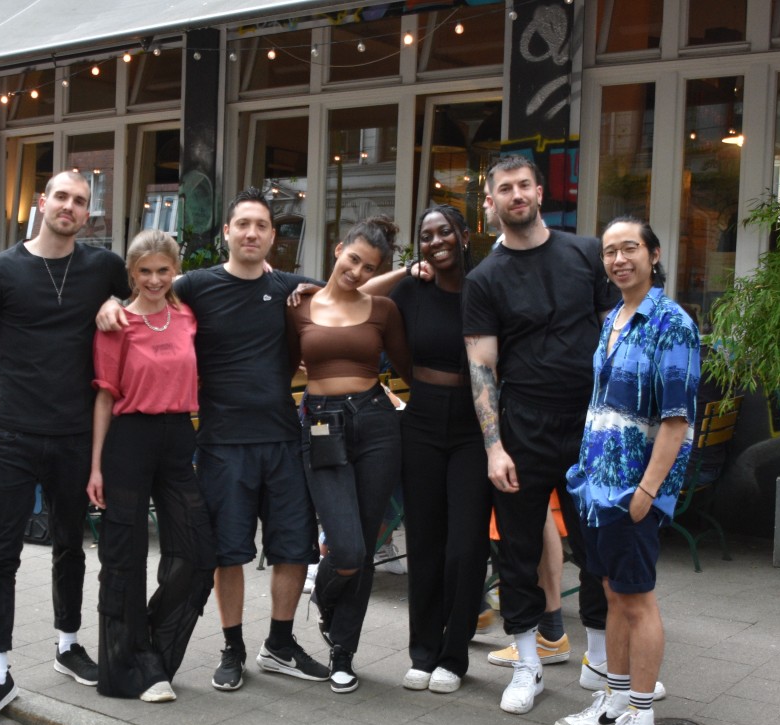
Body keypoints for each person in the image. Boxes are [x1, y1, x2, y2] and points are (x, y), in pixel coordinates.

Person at [97, 187, 328, 693]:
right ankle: (234, 649)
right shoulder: (196, 286)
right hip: (222, 443)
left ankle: (281, 644)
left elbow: (351, 288)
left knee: (293, 548)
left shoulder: (291, 286)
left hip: (283, 439)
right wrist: (108, 303)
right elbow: (147, 286)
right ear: (227, 232)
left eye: (261, 226)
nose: (251, 233)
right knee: (228, 553)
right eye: (242, 224)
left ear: (272, 235)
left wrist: (412, 270)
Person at [0, 170, 129, 725]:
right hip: (13, 433)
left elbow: (156, 295)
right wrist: (22, 377)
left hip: (77, 433)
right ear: (41, 203)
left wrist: (113, 308)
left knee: (70, 544)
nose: (71, 207)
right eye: (62, 197)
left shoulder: (104, 267)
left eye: (81, 202)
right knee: (0, 552)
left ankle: (68, 643)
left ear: (87, 214)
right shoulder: (1, 269)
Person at [462, 154, 615, 715]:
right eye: (505, 188)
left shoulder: (586, 254)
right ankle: (528, 665)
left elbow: (612, 336)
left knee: (597, 546)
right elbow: (482, 367)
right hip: (522, 428)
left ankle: (599, 661)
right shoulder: (484, 279)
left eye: (524, 184)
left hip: (590, 426)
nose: (517, 194)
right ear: (493, 201)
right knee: (519, 553)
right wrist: (493, 445)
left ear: (540, 192)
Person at [556, 217, 698, 725]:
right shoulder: (613, 317)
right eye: (610, 251)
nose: (619, 259)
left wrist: (647, 491)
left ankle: (642, 720)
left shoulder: (671, 323)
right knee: (613, 592)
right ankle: (614, 698)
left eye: (630, 249)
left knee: (636, 599)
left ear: (654, 254)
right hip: (597, 487)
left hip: (634, 491)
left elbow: (676, 419)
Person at [339, 205, 494, 693]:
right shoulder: (412, 288)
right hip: (423, 418)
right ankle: (423, 651)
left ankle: (454, 653)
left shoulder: (483, 287)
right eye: (426, 236)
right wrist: (406, 269)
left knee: (466, 545)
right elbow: (353, 293)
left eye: (444, 231)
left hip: (474, 423)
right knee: (424, 541)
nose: (436, 241)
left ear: (464, 236)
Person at [87, 230, 215, 703]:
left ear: (175, 269)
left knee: (199, 550)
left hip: (179, 434)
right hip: (128, 439)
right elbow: (104, 396)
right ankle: (125, 668)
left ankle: (153, 651)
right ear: (131, 274)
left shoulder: (186, 317)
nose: (155, 280)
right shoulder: (117, 323)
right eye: (145, 271)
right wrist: (95, 466)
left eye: (163, 270)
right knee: (125, 555)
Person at [287, 217, 411, 692]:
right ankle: (323, 591)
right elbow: (279, 366)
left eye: (369, 266)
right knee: (348, 549)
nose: (357, 271)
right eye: (353, 258)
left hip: (377, 423)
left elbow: (409, 369)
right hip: (320, 425)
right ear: (338, 249)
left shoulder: (382, 311)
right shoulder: (298, 306)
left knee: (364, 538)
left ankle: (343, 652)